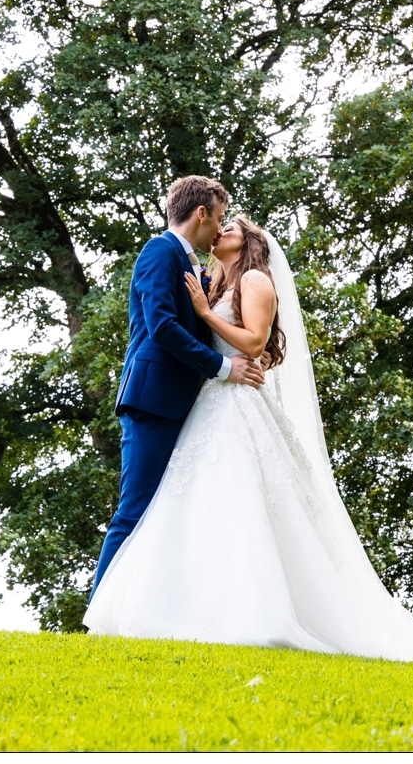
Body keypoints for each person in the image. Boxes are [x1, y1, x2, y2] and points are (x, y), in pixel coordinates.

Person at [83, 215, 413, 672]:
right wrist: (206, 309)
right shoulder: (215, 281)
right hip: (209, 403)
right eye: (221, 222)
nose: (220, 233)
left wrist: (206, 315)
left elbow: (253, 343)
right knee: (197, 508)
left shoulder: (255, 281)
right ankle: (189, 608)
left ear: (248, 242)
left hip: (238, 403)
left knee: (241, 504)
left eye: (230, 227)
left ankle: (254, 613)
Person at [90, 177, 264, 602]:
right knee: (134, 511)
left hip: (186, 405)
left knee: (168, 516)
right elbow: (162, 326)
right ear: (201, 213)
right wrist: (224, 368)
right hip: (153, 399)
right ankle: (100, 613)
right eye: (219, 218)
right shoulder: (160, 251)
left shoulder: (198, 268)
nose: (219, 229)